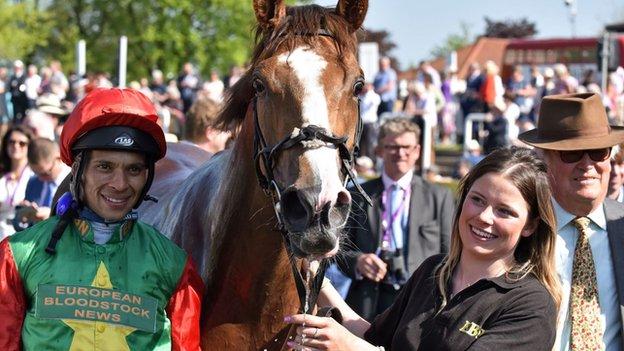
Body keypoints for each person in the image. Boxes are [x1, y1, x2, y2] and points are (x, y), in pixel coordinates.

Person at [287, 146, 561, 350]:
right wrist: (316, 277)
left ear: (530, 226)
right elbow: (373, 338)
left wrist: (353, 349)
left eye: (504, 211)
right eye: (477, 200)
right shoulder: (434, 270)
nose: (485, 217)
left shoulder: (531, 305)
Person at [0, 88, 203, 350]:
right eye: (104, 167)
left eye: (134, 169)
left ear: (147, 177)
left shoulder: (175, 266)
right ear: (78, 171)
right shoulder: (16, 257)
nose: (120, 184)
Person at [518, 92, 624, 350]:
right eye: (572, 153)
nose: (588, 165)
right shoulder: (520, 229)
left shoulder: (621, 226)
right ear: (544, 159)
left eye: (599, 152)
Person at [339, 118, 454, 321]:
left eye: (406, 147)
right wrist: (358, 261)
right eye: (392, 147)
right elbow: (338, 250)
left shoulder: (439, 197)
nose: (400, 153)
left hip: (419, 303)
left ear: (417, 151)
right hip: (367, 301)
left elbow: (450, 253)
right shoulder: (358, 194)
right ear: (379, 150)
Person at [13, 138, 71, 230]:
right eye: (36, 173)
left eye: (45, 173)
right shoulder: (33, 182)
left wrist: (51, 215)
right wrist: (23, 216)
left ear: (59, 159)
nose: (41, 178)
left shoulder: (73, 182)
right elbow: (22, 228)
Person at [0, 126, 34, 239]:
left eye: (22, 143)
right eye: (11, 142)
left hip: (24, 235)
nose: (16, 146)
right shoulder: (2, 173)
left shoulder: (34, 175)